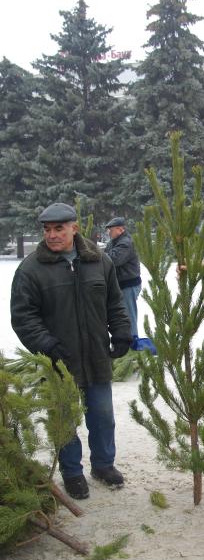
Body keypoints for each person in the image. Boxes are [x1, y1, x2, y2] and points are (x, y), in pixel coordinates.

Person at [10, 203, 132, 500]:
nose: (52, 235)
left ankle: (103, 465)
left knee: (102, 415)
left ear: (74, 228)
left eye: (58, 229)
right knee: (64, 418)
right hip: (58, 361)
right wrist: (47, 344)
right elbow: (23, 316)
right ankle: (72, 472)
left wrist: (121, 331)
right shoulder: (31, 269)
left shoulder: (99, 261)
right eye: (47, 230)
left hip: (96, 355)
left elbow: (114, 303)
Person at [105, 217, 142, 345]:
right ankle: (123, 342)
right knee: (120, 315)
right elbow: (105, 256)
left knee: (128, 315)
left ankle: (133, 343)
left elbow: (113, 259)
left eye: (111, 229)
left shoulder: (126, 242)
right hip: (119, 285)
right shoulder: (113, 242)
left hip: (129, 285)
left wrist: (95, 255)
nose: (108, 232)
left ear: (120, 229)